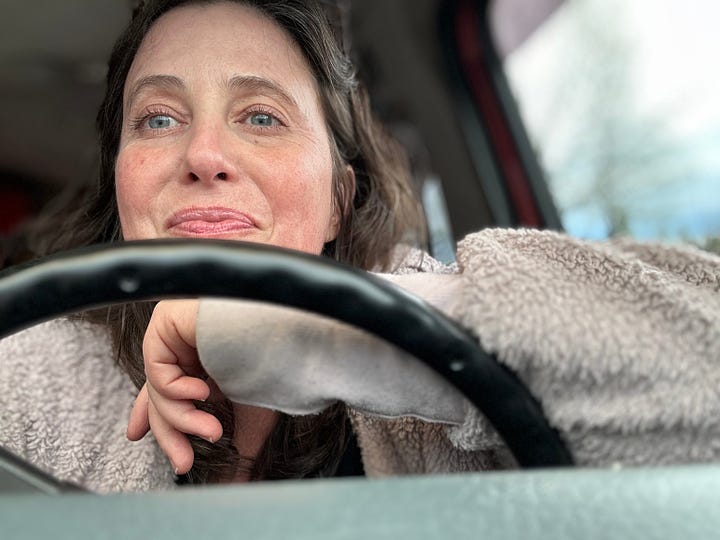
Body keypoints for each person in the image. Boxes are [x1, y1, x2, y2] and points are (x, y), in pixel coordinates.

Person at [1, 0, 719, 493]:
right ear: (121, 182)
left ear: (338, 201)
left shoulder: (429, 321)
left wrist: (295, 332)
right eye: (158, 119)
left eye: (261, 115)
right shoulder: (33, 367)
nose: (205, 152)